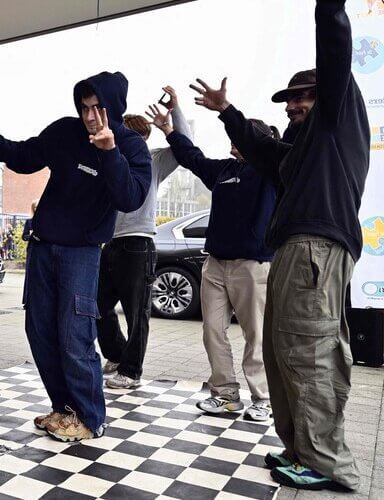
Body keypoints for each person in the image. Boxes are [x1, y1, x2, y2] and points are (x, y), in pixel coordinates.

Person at [191, 0, 369, 490]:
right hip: (295, 251)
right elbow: (264, 150)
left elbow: (334, 52)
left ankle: (324, 460)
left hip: (316, 248)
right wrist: (228, 113)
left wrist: (328, 8)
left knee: (310, 353)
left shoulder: (336, 122)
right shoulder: (301, 154)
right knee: (283, 353)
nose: (293, 105)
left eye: (304, 97)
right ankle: (299, 449)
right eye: (289, 100)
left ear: (325, 96)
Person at [0, 70, 151, 441]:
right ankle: (64, 409)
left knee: (74, 334)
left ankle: (90, 416)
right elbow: (26, 154)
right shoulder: (66, 131)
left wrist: (109, 153)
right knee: (40, 331)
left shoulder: (131, 147)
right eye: (84, 108)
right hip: (44, 246)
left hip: (82, 252)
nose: (91, 117)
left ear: (113, 108)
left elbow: (130, 197)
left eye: (98, 108)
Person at [147, 104, 277, 422]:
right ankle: (226, 394)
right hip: (215, 265)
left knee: (256, 334)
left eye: (237, 135)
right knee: (212, 331)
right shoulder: (223, 171)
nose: (231, 140)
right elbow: (193, 158)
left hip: (253, 265)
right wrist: (170, 132)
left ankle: (264, 398)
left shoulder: (271, 172)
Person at [96, 86, 192, 390]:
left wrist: (175, 112)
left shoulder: (153, 161)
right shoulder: (109, 160)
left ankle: (132, 371)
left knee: (138, 313)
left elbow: (186, 146)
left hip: (138, 243)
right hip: (110, 243)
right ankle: (116, 354)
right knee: (96, 304)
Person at [21, 200, 39, 307]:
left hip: (43, 251)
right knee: (30, 274)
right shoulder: (29, 222)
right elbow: (24, 236)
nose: (37, 209)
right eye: (35, 207)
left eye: (38, 207)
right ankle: (27, 301)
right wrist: (32, 236)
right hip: (32, 249)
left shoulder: (46, 221)